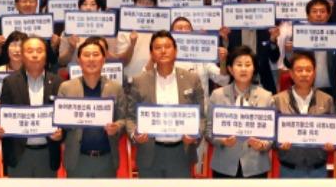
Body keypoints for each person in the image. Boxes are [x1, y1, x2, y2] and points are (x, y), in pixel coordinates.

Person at [127, 32, 205, 179]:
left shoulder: (192, 79)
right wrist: (135, 135)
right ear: (152, 53)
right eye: (158, 47)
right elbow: (130, 118)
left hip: (181, 152)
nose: (163, 51)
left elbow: (201, 117)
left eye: (167, 47)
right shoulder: (139, 81)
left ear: (175, 51)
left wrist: (195, 135)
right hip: (149, 152)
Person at [56, 37, 127, 178]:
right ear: (79, 60)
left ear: (104, 59)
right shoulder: (66, 87)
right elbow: (59, 123)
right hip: (77, 160)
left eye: (96, 55)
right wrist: (58, 132)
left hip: (106, 159)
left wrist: (117, 127)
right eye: (86, 55)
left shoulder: (116, 88)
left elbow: (124, 120)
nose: (91, 59)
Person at [0, 35, 61, 179]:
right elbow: (4, 116)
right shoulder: (10, 82)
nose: (35, 55)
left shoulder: (57, 82)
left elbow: (63, 119)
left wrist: (60, 134)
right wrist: (2, 129)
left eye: (39, 51)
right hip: (19, 155)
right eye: (30, 51)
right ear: (22, 55)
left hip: (47, 155)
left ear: (46, 55)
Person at [207, 49, 275, 178]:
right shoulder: (218, 95)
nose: (243, 69)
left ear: (254, 69)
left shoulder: (266, 96)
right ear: (230, 69)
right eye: (239, 64)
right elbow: (209, 130)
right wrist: (222, 141)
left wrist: (262, 145)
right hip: (224, 164)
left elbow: (271, 134)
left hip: (256, 165)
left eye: (248, 65)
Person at [271, 51, 335, 178]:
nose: (304, 74)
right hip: (289, 168)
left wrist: (331, 144)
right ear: (291, 74)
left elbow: (333, 133)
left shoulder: (327, 99)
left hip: (318, 168)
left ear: (314, 73)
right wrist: (278, 143)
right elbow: (270, 135)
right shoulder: (277, 100)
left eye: (308, 70)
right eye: (299, 70)